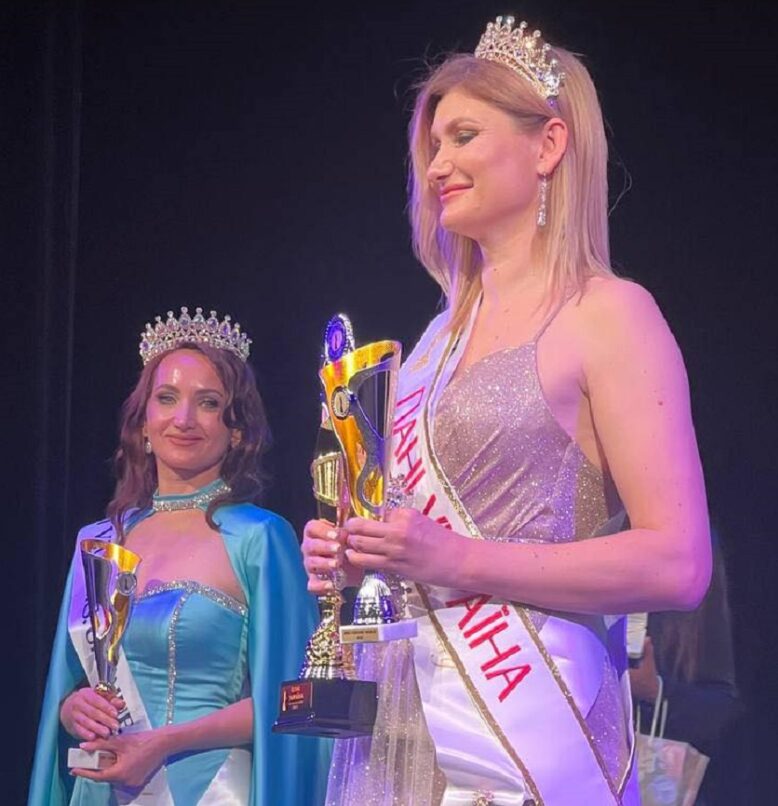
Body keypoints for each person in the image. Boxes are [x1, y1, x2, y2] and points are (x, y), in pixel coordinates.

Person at [302, 15, 712, 806]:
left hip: (530, 730)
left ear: (548, 145)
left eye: (463, 137)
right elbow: (421, 539)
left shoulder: (609, 316)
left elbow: (679, 563)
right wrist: (363, 551)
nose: (437, 166)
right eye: (433, 147)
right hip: (406, 723)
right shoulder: (432, 341)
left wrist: (455, 560)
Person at [29, 307, 329, 805]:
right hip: (100, 788)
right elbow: (70, 685)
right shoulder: (98, 544)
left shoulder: (259, 537)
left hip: (207, 789)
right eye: (166, 398)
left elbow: (294, 698)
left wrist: (165, 741)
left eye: (208, 403)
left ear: (236, 429)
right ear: (143, 422)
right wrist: (71, 709)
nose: (184, 419)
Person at [631, 530, 742, 802]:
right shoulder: (589, 534)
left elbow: (721, 711)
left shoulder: (690, 546)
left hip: (649, 767)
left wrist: (655, 690)